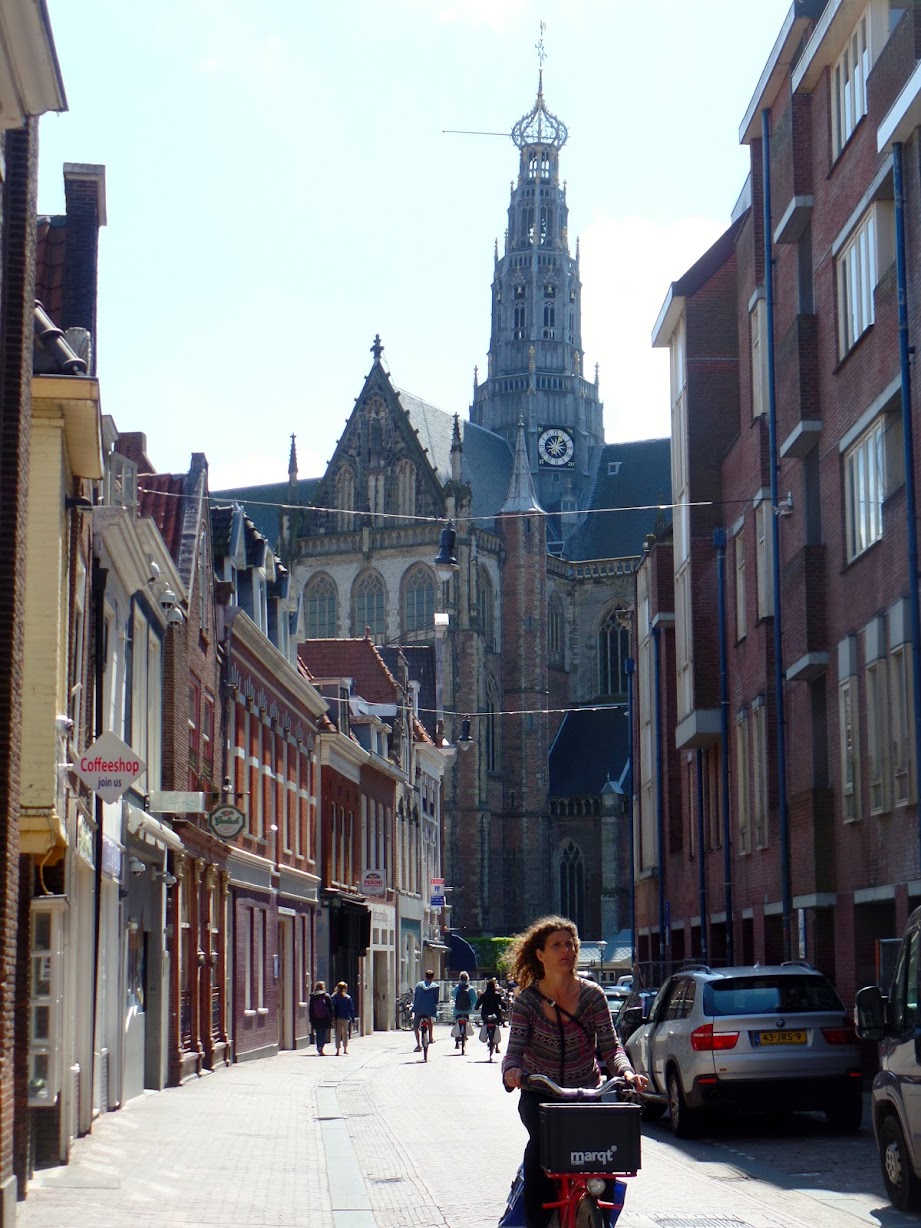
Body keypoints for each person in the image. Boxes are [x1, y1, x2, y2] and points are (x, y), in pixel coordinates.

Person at [501, 916, 648, 1228]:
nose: (566, 950)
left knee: (606, 1154)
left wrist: (626, 1073)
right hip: (541, 1094)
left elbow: (611, 1047)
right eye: (557, 945)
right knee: (540, 1150)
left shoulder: (593, 995)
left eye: (570, 944)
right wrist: (512, 1071)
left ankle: (602, 1218)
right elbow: (514, 1050)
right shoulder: (527, 1001)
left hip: (586, 1092)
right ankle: (537, 1222)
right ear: (540, 954)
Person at [411, 969, 439, 1052]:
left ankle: (418, 1045)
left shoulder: (419, 985)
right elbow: (436, 1000)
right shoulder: (435, 986)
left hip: (418, 1008)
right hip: (429, 1009)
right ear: (433, 977)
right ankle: (430, 1038)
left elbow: (416, 997)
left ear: (425, 976)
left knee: (416, 1026)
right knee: (429, 1019)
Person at [476, 976, 505, 1049]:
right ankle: (497, 1046)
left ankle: (486, 1036)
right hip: (495, 1015)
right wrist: (505, 1008)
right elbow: (502, 1003)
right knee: (497, 1025)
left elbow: (478, 1004)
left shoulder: (483, 995)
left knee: (485, 1024)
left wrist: (476, 1008)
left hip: (485, 1015)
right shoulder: (497, 995)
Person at [308, 980, 334, 1056]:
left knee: (318, 1033)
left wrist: (311, 1018)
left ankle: (318, 1047)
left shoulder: (313, 996)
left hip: (316, 1018)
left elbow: (311, 1009)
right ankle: (321, 1047)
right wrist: (331, 1017)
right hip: (325, 1018)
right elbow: (330, 1007)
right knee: (323, 1033)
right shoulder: (326, 996)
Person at [452, 971, 476, 1048]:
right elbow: (474, 1000)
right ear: (468, 979)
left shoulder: (457, 988)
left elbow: (453, 996)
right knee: (467, 1020)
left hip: (458, 1010)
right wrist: (471, 1006)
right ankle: (465, 1035)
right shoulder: (470, 988)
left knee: (457, 1022)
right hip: (467, 1010)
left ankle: (456, 1040)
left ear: (460, 979)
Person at [332, 981, 356, 1055]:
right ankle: (345, 1049)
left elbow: (332, 1007)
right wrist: (353, 1018)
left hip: (337, 1018)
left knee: (337, 1034)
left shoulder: (334, 997)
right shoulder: (347, 998)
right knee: (345, 1033)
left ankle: (337, 1050)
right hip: (345, 1018)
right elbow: (351, 1009)